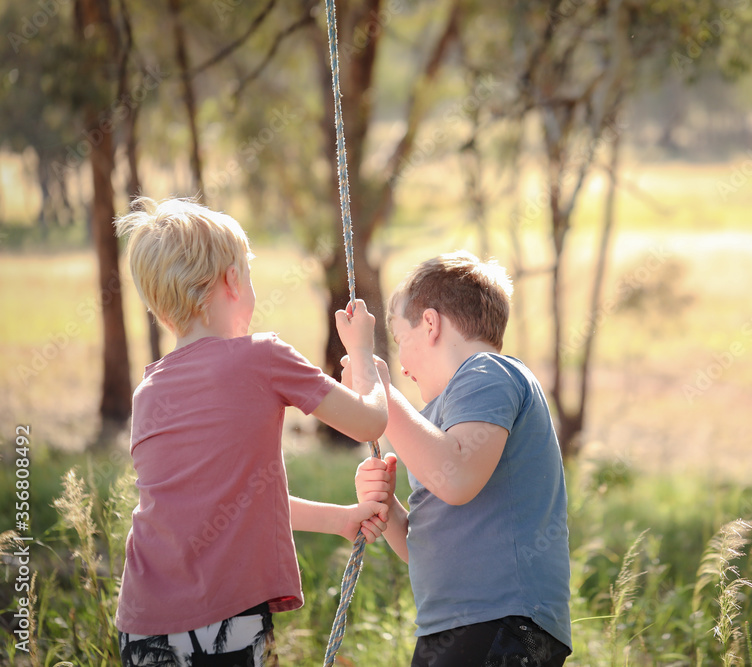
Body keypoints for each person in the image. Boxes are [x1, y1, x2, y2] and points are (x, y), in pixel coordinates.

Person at [112, 197, 388, 667]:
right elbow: (370, 421)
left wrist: (339, 519)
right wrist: (364, 358)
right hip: (225, 621)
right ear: (234, 280)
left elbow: (232, 500)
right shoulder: (263, 356)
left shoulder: (149, 391)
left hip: (141, 626)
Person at [352, 251, 572, 667]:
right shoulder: (447, 416)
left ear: (431, 324)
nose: (402, 366)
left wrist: (379, 390)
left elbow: (455, 480)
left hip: (501, 621)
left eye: (401, 341)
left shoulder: (487, 373)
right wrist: (389, 508)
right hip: (458, 624)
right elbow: (429, 548)